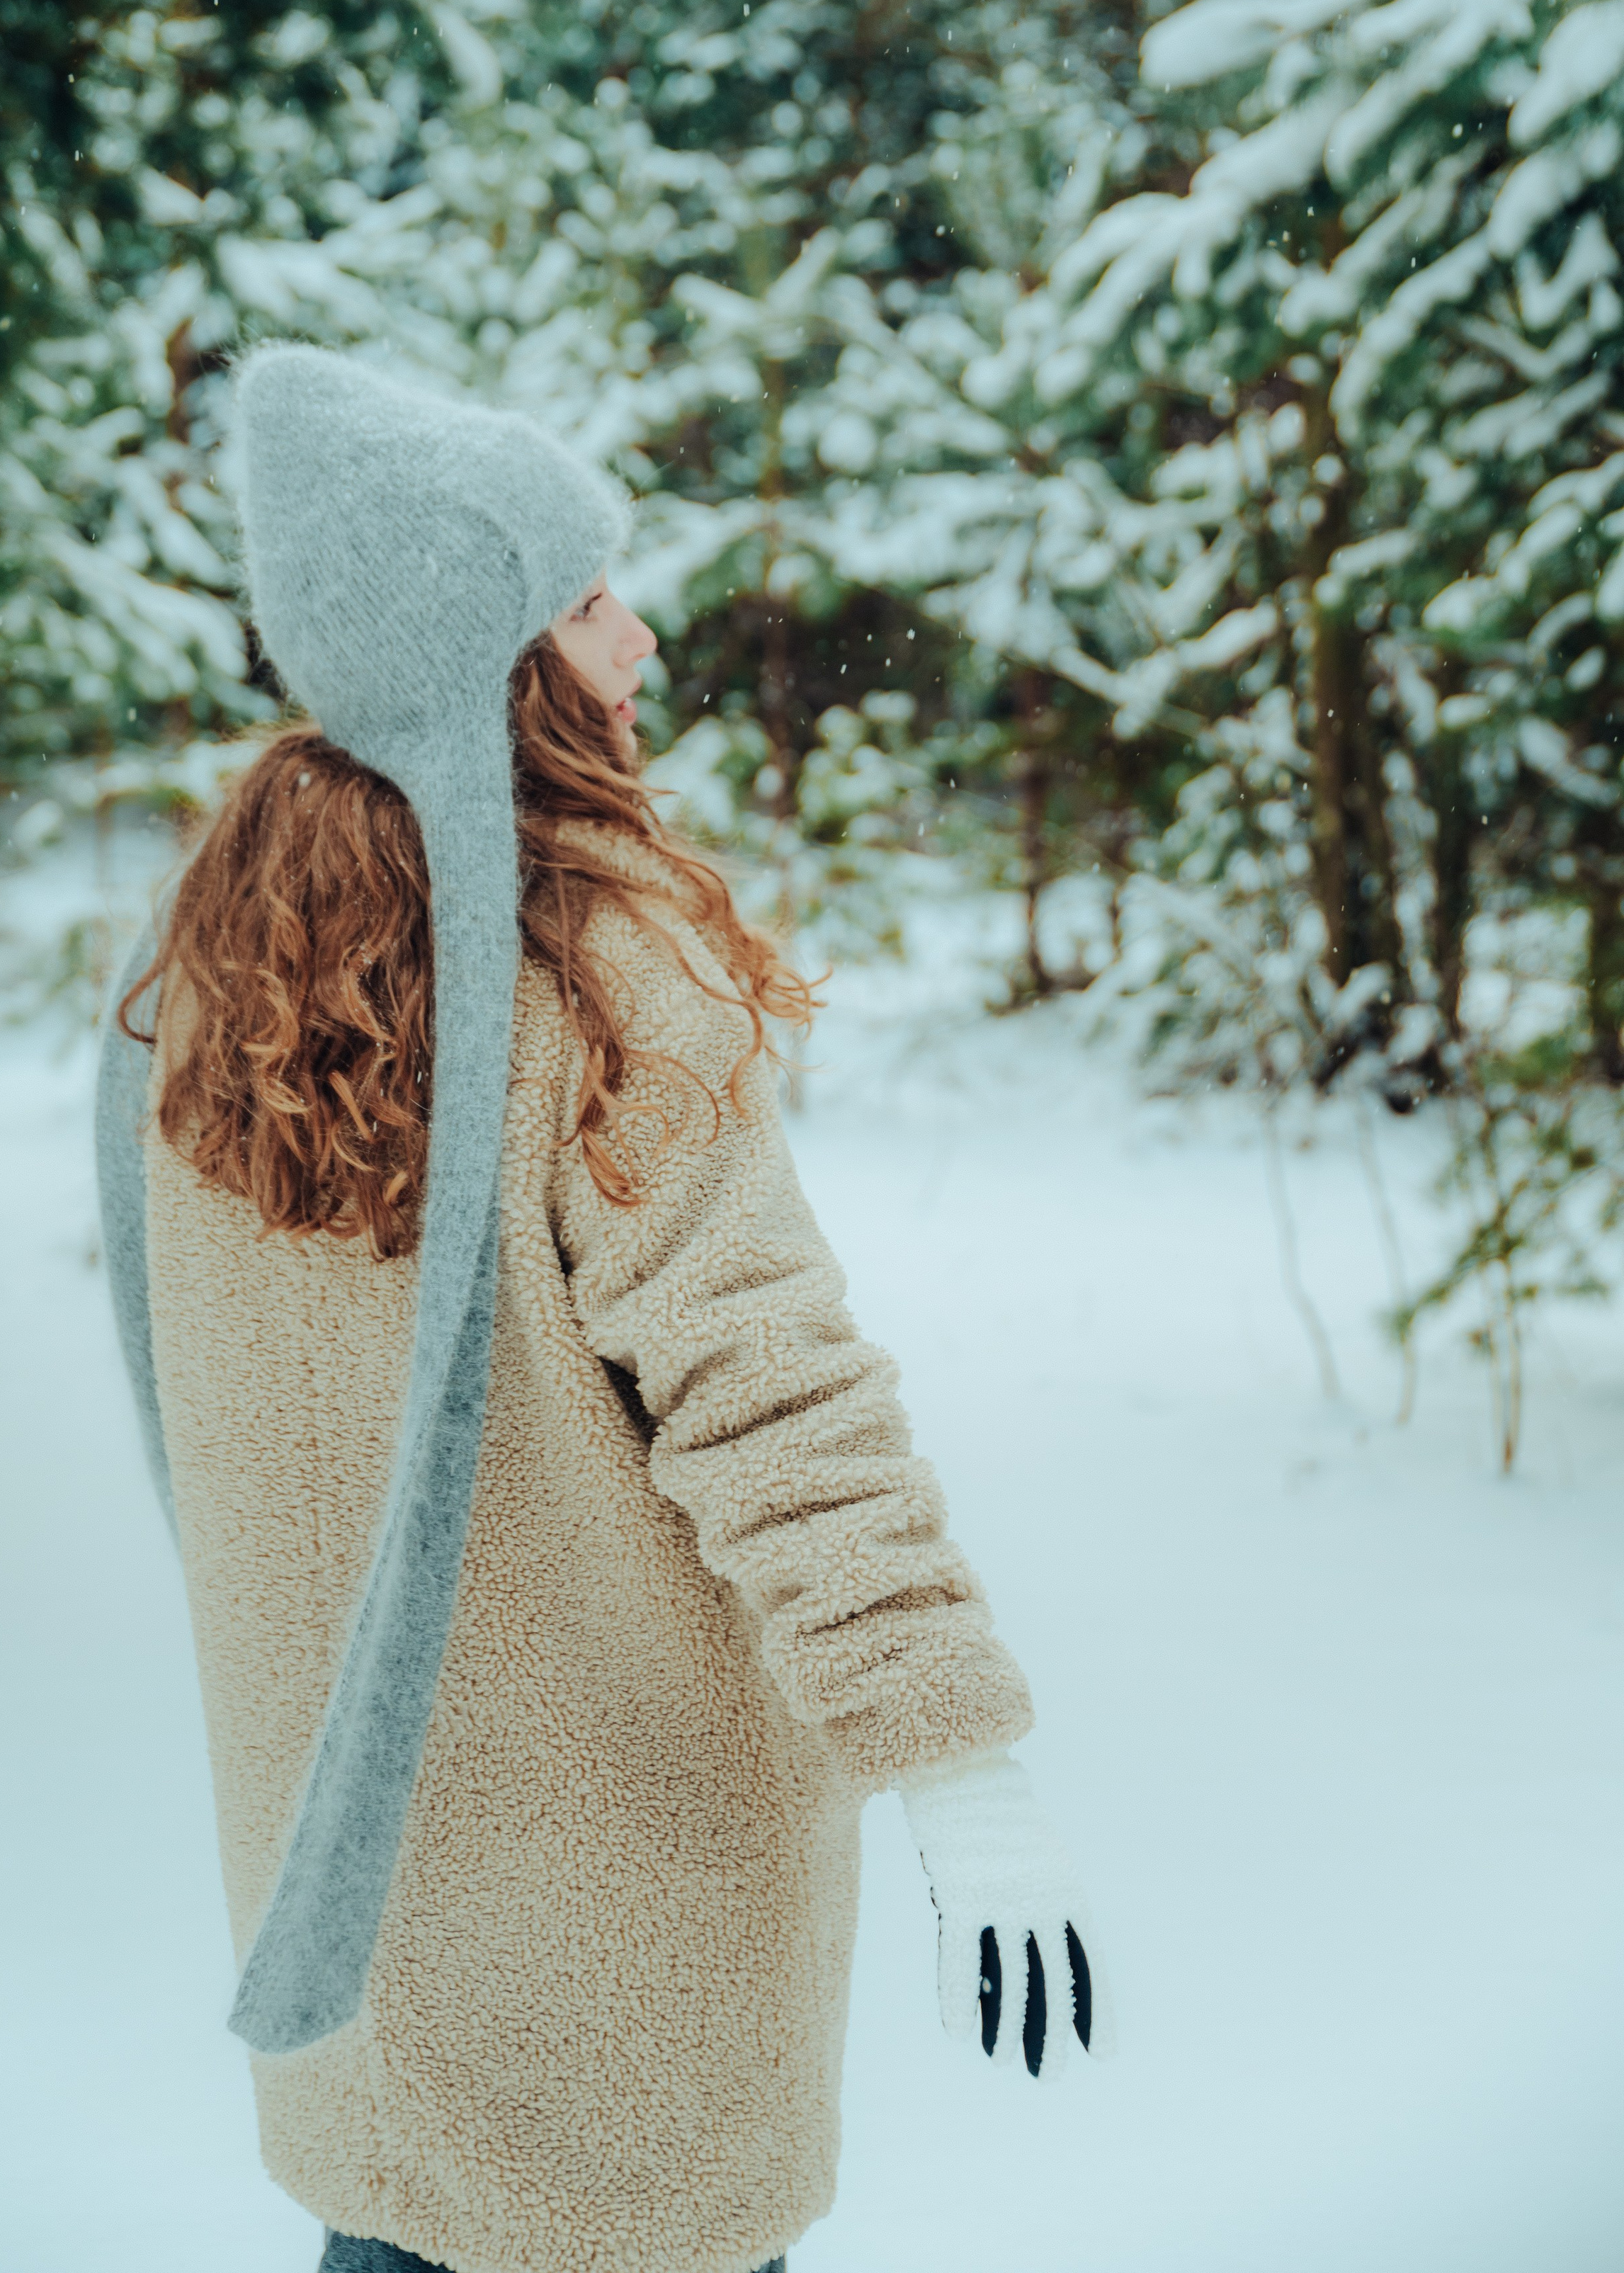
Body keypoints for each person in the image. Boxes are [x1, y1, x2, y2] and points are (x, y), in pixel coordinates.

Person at [96, 345, 1106, 2273]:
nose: (640, 639)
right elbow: (773, 1392)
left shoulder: (201, 974)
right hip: (616, 1935)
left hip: (365, 1925)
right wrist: (956, 1761)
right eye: (579, 599)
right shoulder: (592, 963)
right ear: (474, 642)